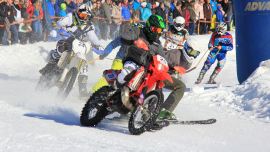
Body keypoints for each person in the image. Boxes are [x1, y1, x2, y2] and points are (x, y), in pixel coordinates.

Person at [43, 4, 103, 98]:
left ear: (88, 16)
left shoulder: (89, 25)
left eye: (84, 15)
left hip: (81, 45)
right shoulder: (70, 17)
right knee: (62, 47)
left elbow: (93, 37)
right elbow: (59, 23)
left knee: (84, 65)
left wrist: (99, 46)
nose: (81, 16)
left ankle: (82, 91)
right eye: (80, 14)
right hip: (68, 39)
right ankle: (53, 57)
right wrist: (60, 28)